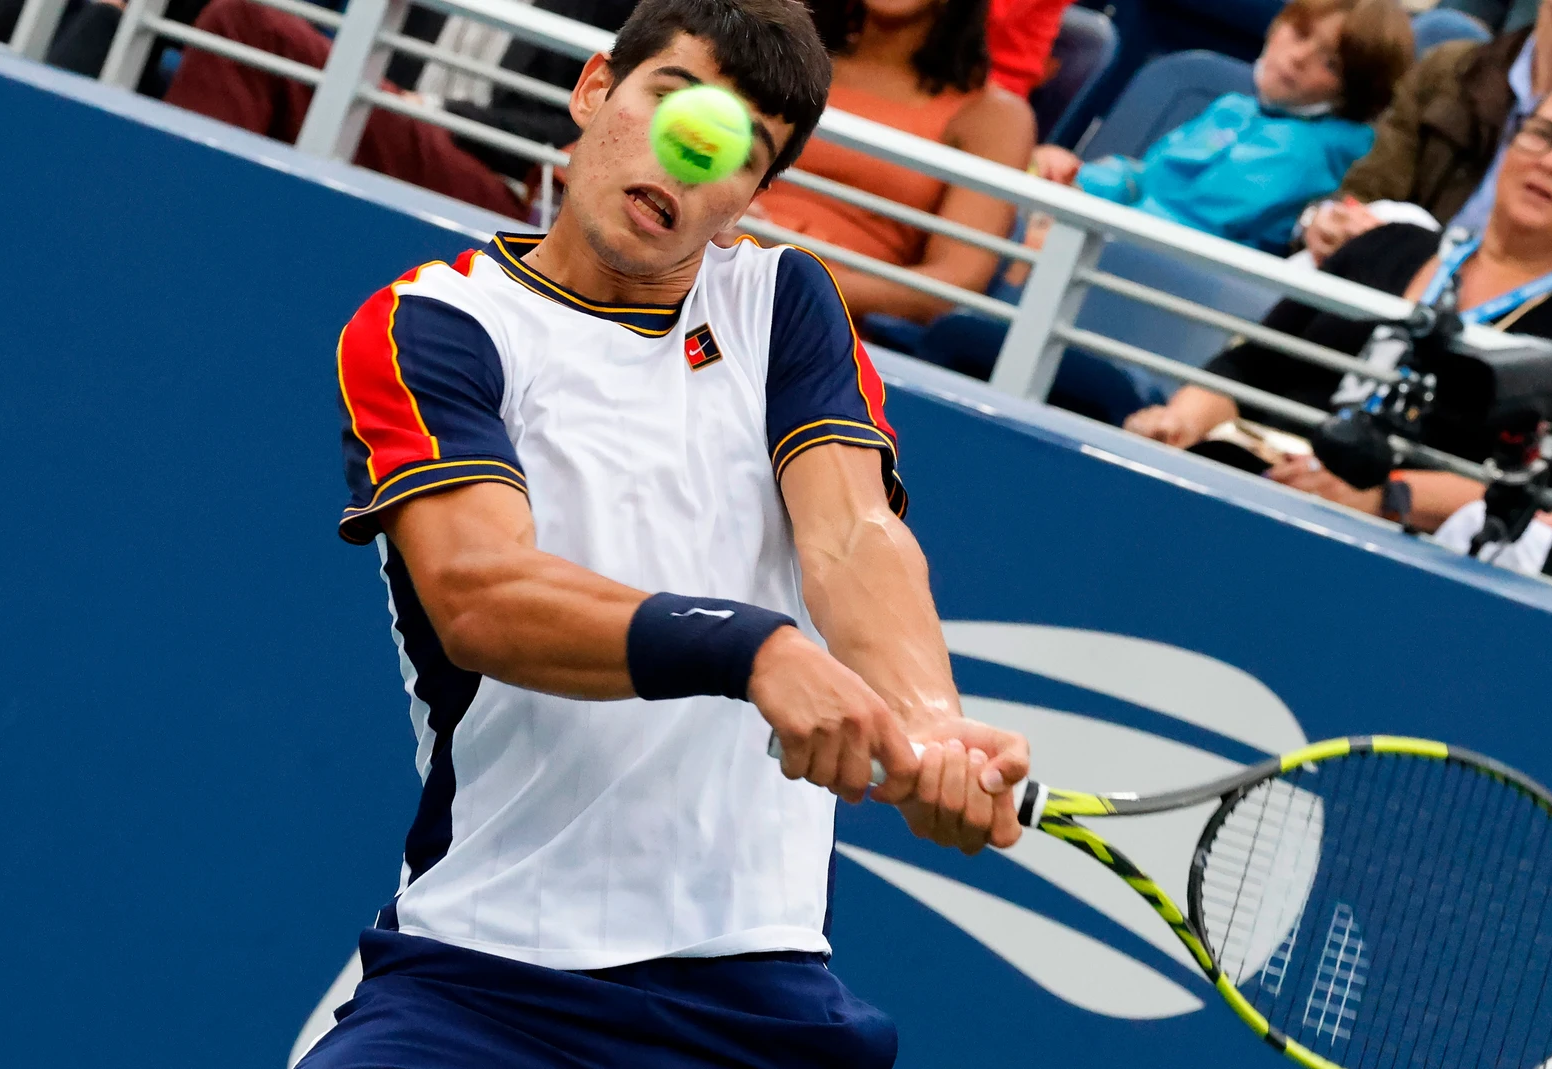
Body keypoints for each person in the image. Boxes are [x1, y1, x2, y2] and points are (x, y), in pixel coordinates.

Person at [309, 0, 1031, 1065]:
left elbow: (851, 535)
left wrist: (931, 726)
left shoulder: (781, 305)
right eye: (674, 103)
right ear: (595, 86)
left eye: (738, 154)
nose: (690, 163)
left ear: (749, 198)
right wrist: (752, 647)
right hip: (484, 986)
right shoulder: (439, 325)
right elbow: (480, 593)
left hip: (756, 999)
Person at [1126, 80, 1552, 531]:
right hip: (1244, 477)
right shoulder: (1388, 243)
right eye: (1540, 134)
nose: (1550, 161)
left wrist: (1383, 497)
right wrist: (1179, 421)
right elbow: (1250, 363)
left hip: (1403, 546)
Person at [1304, 0, 1552, 289]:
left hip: (1503, 329)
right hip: (1375, 279)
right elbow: (1364, 192)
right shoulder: (1448, 67)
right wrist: (1330, 222)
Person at [1029, 0, 1415, 254]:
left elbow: (1192, 228)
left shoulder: (1309, 152)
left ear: (1355, 92)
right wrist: (1080, 178)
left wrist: (1077, 218)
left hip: (1159, 284)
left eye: (1330, 63)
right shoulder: (1235, 109)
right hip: (1116, 246)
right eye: (1299, 34)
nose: (1297, 59)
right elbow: (1150, 179)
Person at [751, 0, 1036, 325]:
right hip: (708, 264)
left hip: (825, 323)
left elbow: (954, 282)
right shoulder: (778, 57)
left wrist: (784, 278)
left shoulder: (993, 116)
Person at [156, 0, 528, 217]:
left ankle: (174, 216)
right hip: (381, 110)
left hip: (498, 177)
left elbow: (568, 131)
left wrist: (436, 108)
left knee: (243, 23)